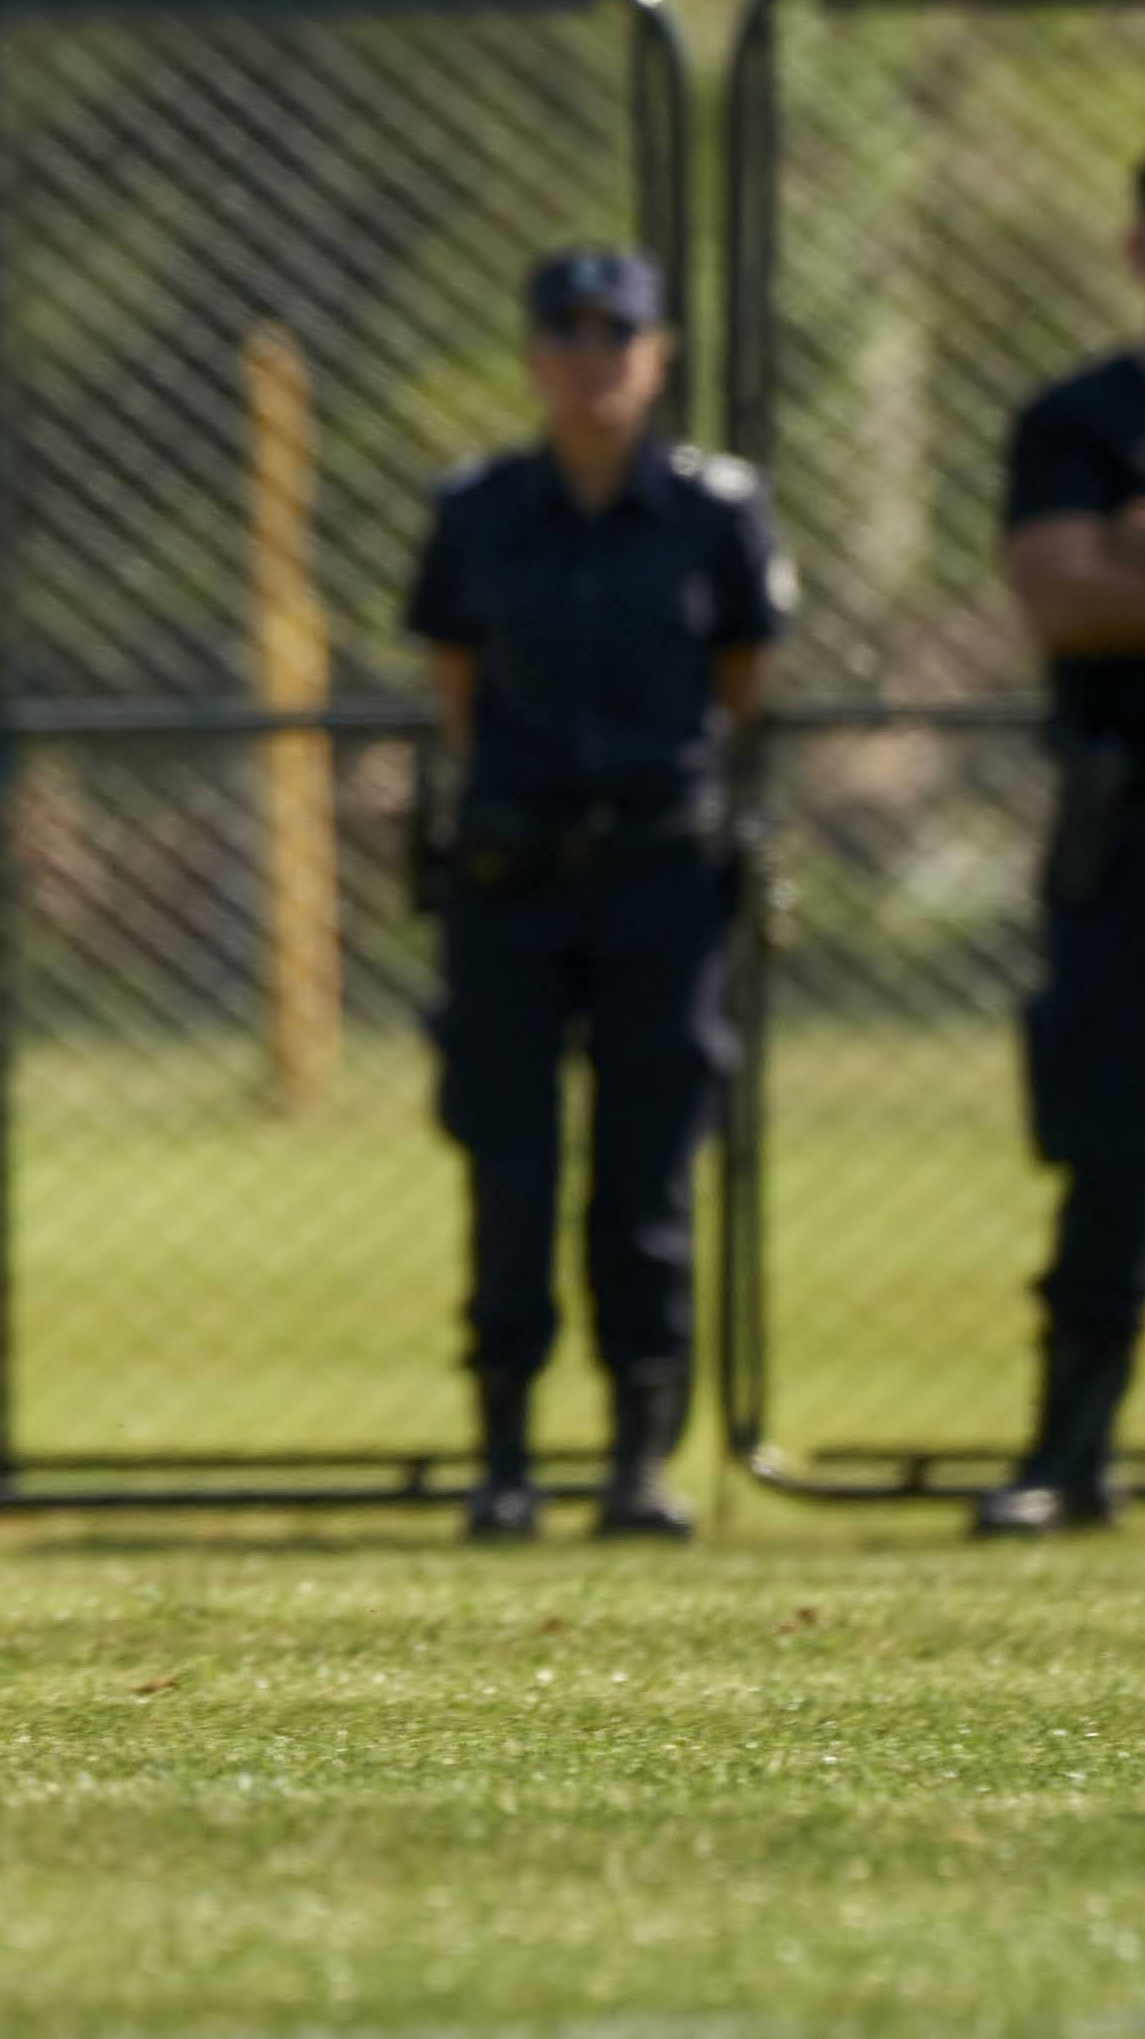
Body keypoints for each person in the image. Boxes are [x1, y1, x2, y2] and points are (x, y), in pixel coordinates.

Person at [407, 248, 786, 1543]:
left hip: (658, 880)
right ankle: (504, 1454)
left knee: (646, 1173)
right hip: (510, 880)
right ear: (533, 357)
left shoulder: (714, 511)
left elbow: (741, 678)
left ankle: (637, 1458)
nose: (591, 359)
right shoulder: (479, 509)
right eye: (566, 335)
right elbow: (457, 684)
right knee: (507, 1166)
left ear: (656, 353)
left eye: (615, 334)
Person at [974, 134, 1145, 1536]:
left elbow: (1119, 569)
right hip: (1141, 821)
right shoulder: (1076, 419)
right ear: (1140, 252)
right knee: (1112, 1142)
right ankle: (1070, 1449)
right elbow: (1064, 600)